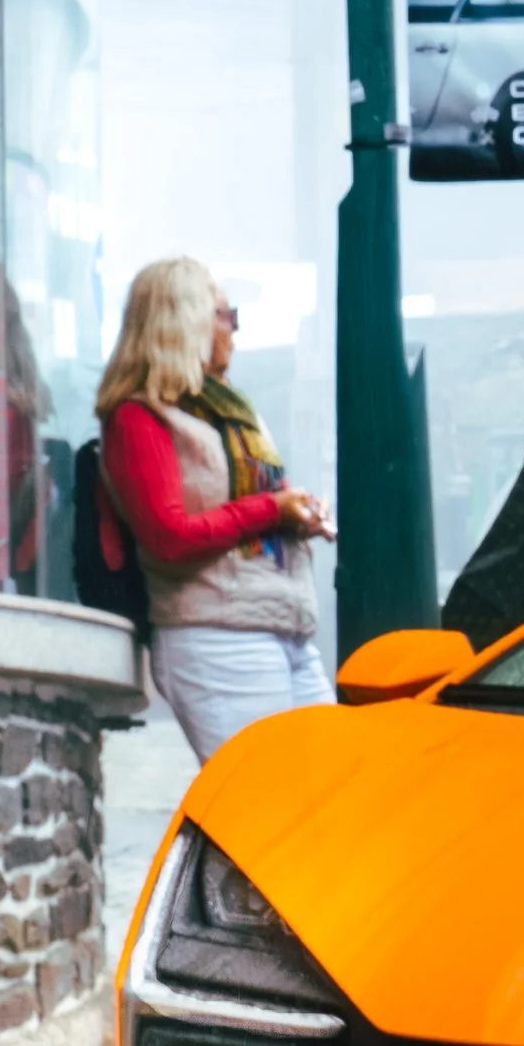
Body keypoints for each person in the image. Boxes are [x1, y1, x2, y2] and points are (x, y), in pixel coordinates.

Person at [94, 254, 335, 761]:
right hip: (217, 634)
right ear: (187, 321)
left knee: (329, 792)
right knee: (265, 804)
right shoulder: (139, 419)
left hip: (283, 626)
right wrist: (273, 511)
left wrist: (299, 511)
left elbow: (263, 498)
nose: (235, 331)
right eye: (228, 316)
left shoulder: (232, 413)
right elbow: (167, 535)